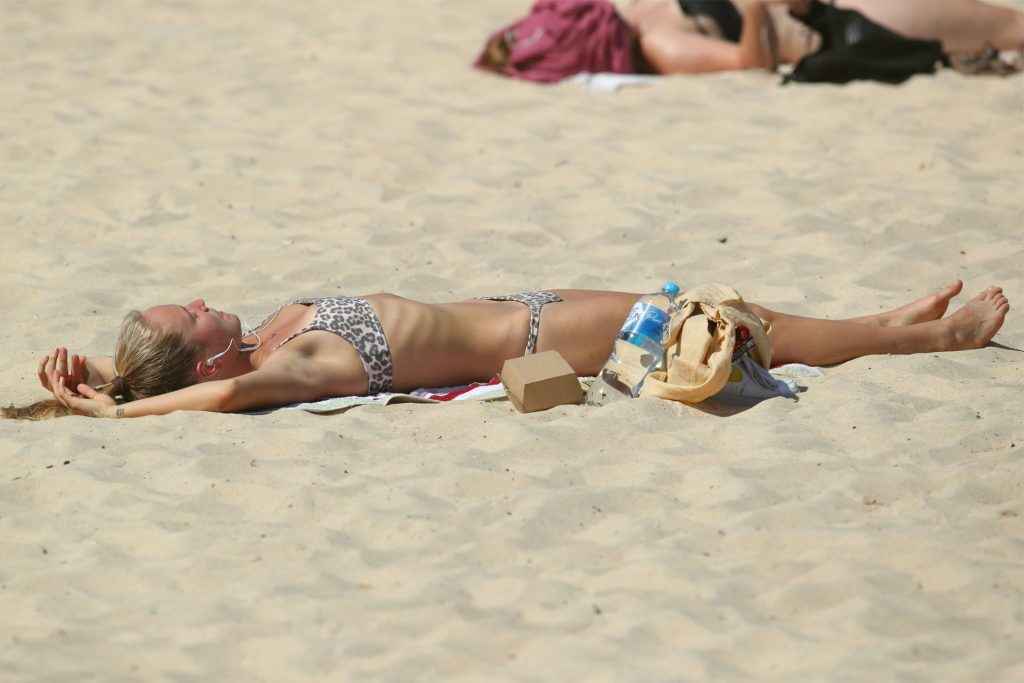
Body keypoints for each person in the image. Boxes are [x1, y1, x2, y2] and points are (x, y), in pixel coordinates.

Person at [10, 280, 1009, 420]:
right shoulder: (283, 369)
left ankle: (889, 325)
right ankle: (922, 334)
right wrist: (123, 411)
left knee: (723, 309)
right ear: (203, 355)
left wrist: (101, 373)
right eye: (188, 313)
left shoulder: (264, 334)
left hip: (530, 307)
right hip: (540, 336)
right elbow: (218, 399)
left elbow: (168, 372)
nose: (199, 299)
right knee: (726, 321)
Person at [625, 0, 1024, 76]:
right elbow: (748, 63)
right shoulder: (660, 44)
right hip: (839, 23)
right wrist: (756, 9)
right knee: (1011, 27)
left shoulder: (638, 8)